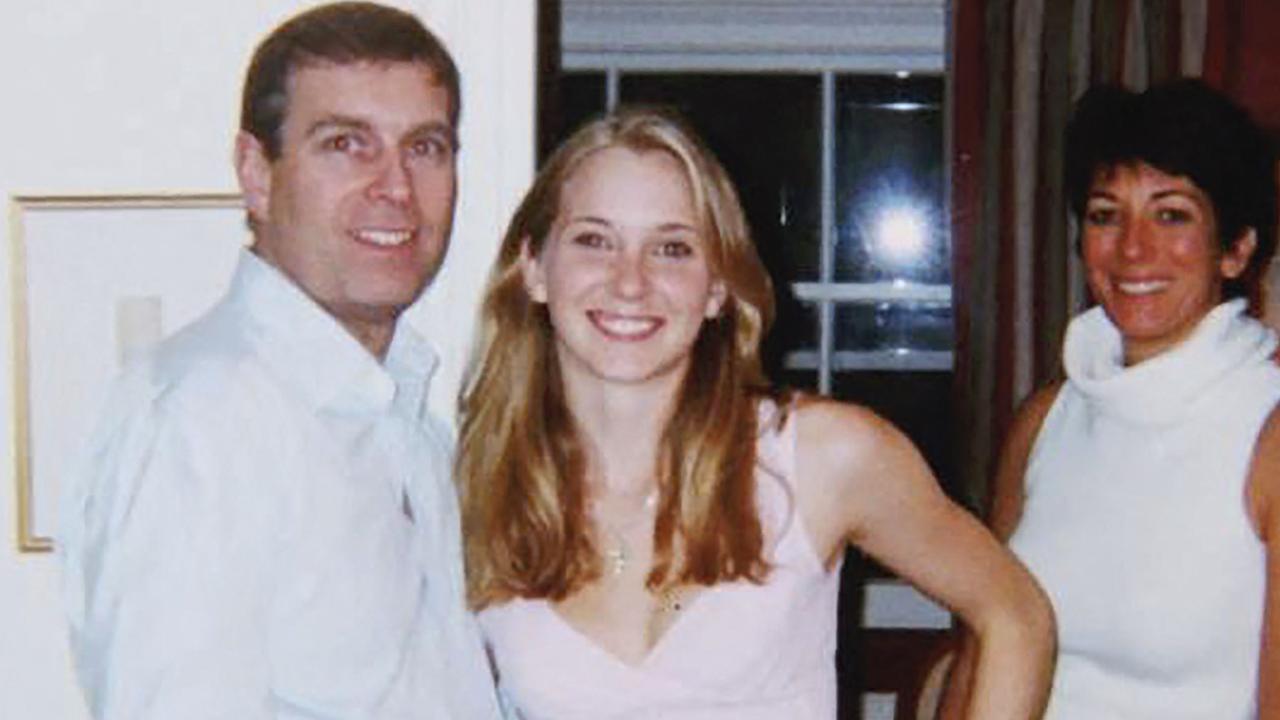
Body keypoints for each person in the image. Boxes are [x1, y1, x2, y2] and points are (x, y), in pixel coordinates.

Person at [456, 108, 1054, 719]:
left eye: (671, 248)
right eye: (594, 240)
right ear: (532, 269)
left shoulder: (821, 456)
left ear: (716, 286)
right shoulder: (474, 487)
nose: (630, 281)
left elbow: (1015, 614)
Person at [59, 3, 503, 718]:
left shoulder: (408, 427)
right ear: (256, 173)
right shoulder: (203, 422)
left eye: (425, 147)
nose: (395, 187)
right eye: (346, 144)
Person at [940, 79, 1280, 719]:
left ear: (1237, 249)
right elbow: (980, 652)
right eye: (1105, 214)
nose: (1132, 248)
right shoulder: (1044, 421)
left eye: (1171, 214)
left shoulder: (1268, 436)